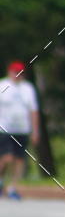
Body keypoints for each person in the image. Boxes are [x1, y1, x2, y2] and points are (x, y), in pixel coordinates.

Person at [0, 61, 40, 199]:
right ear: (9, 72)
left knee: (19, 160)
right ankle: (1, 180)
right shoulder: (2, 85)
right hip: (5, 129)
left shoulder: (28, 88)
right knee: (7, 158)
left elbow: (33, 110)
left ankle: (13, 187)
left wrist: (35, 131)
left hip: (22, 129)